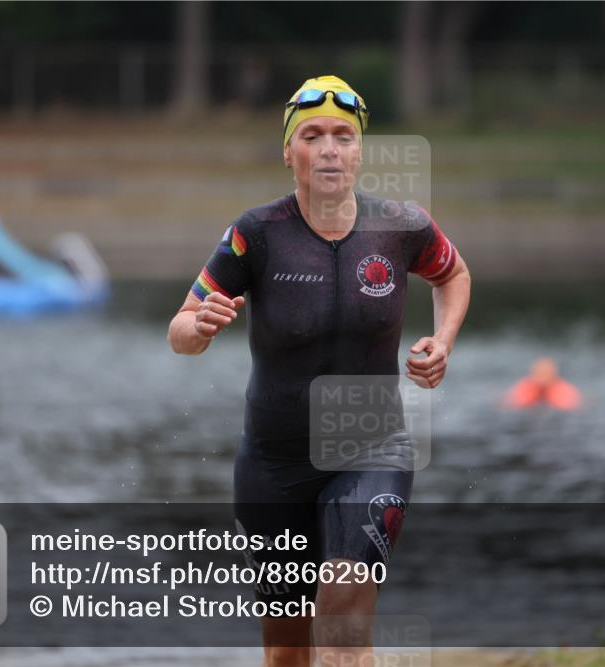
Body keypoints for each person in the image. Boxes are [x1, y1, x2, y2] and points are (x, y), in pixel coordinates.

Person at [168, 75, 471, 667]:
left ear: (359, 152)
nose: (329, 149)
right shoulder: (255, 234)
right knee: (287, 649)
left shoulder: (402, 226)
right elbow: (179, 332)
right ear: (289, 152)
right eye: (312, 136)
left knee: (343, 616)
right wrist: (199, 325)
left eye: (342, 136)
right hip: (273, 463)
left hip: (372, 448)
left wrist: (443, 340)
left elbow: (453, 274)